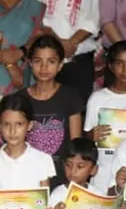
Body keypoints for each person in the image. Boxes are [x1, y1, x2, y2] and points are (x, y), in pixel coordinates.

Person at [84, 41, 126, 193]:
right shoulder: (97, 98)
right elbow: (86, 136)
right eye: (119, 63)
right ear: (111, 66)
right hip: (103, 173)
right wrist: (91, 135)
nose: (125, 69)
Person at [17, 36, 84, 174]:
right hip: (27, 173)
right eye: (38, 61)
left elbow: (76, 144)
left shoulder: (70, 96)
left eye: (51, 61)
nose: (44, 67)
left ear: (60, 65)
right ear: (30, 63)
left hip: (61, 174)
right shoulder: (20, 99)